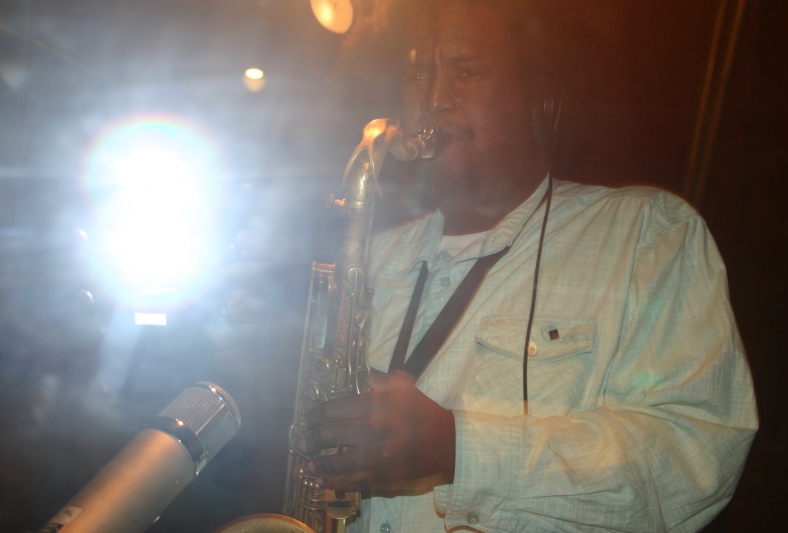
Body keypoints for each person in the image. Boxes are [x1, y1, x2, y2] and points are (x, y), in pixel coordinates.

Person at [224, 1, 758, 531]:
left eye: (467, 71)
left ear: (540, 104)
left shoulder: (647, 233)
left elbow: (696, 456)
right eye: (418, 74)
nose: (433, 100)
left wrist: (459, 450)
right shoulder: (368, 255)